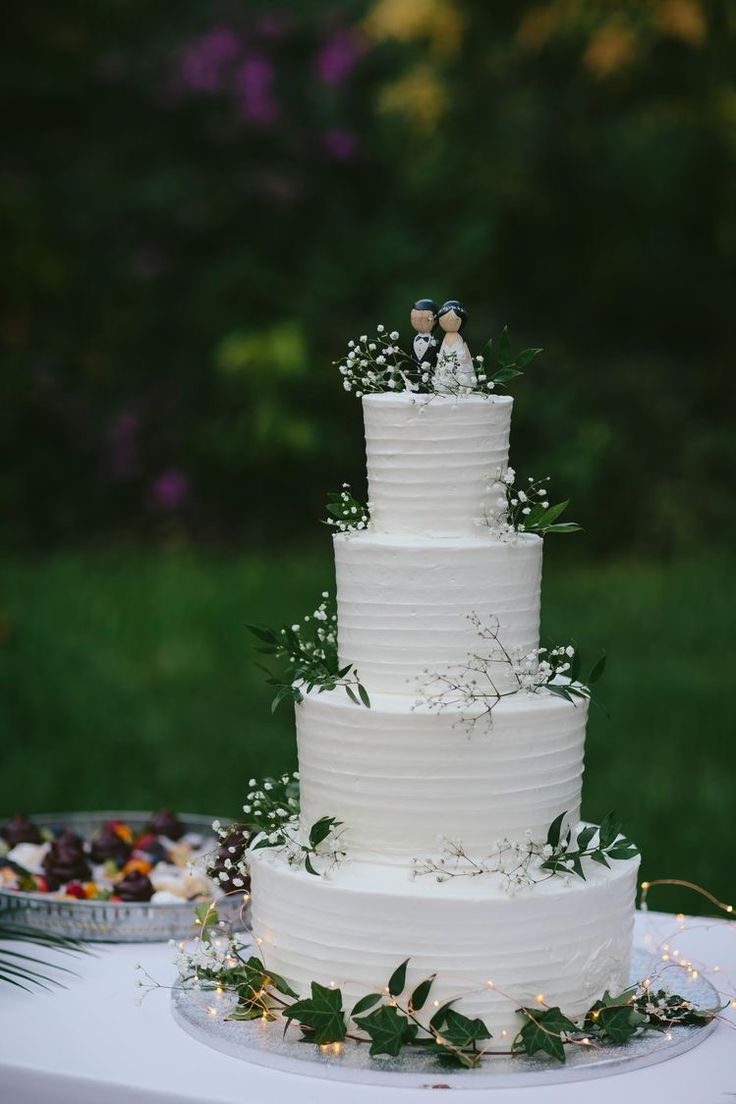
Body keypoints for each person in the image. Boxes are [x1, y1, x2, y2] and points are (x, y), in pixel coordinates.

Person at [434, 299, 476, 393]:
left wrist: (465, 359)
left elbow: (464, 350)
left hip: (459, 368)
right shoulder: (445, 337)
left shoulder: (459, 338)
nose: (447, 321)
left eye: (451, 319)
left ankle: (461, 386)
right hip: (445, 367)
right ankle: (443, 385)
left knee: (459, 376)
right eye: (443, 319)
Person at [409, 298, 439, 372]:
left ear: (435, 321)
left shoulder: (437, 344)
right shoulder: (411, 342)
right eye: (414, 318)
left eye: (425, 319)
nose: (418, 322)